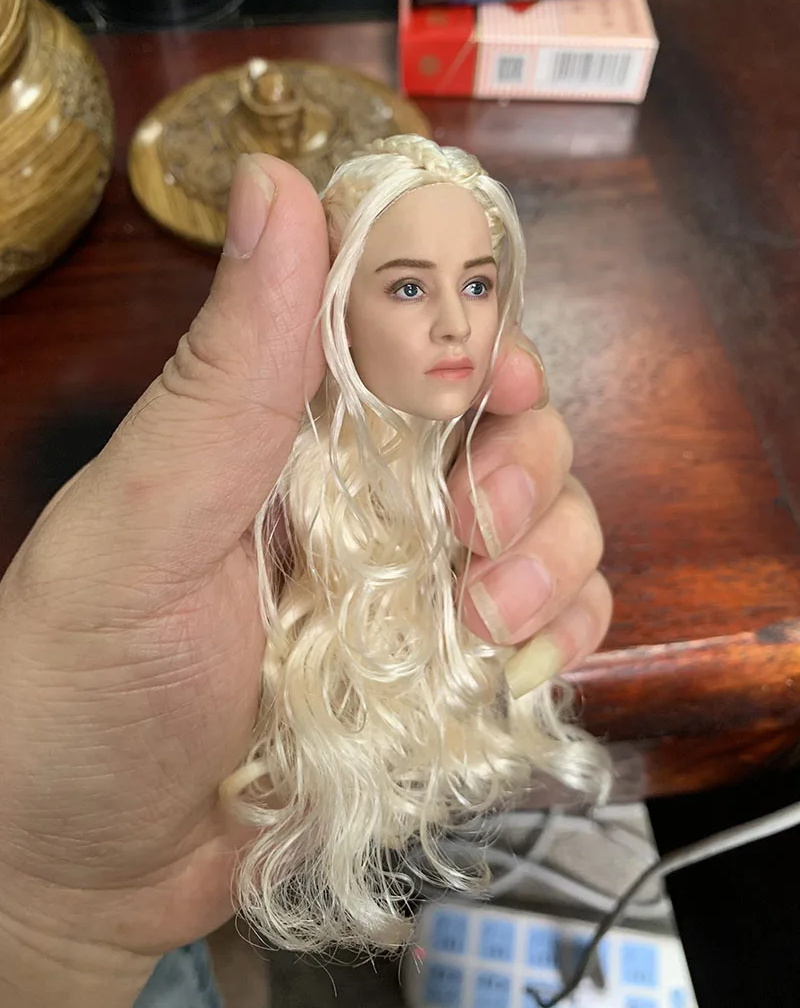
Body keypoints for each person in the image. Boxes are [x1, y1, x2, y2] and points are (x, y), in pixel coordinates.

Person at [0, 153, 611, 1008]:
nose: (455, 326)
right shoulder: (281, 499)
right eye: (408, 288)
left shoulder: (452, 482)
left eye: (477, 286)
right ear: (337, 309)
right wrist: (40, 896)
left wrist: (47, 914)